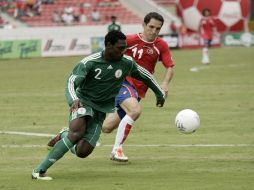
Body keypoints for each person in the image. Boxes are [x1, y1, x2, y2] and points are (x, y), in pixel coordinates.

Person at [31, 30, 165, 180]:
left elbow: (145, 75)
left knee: (83, 151)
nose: (123, 51)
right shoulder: (89, 62)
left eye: (124, 48)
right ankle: (39, 170)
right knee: (76, 133)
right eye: (120, 48)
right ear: (108, 45)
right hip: (83, 102)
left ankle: (63, 135)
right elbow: (71, 82)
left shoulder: (126, 63)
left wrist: (159, 93)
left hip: (101, 110)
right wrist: (74, 98)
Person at [102, 12, 175, 162]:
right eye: (151, 27)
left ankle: (70, 132)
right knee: (135, 111)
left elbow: (169, 66)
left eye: (158, 29)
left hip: (138, 91)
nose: (153, 31)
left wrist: (165, 83)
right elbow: (108, 53)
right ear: (143, 25)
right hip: (122, 82)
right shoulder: (129, 40)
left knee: (107, 127)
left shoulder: (161, 45)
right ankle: (117, 150)